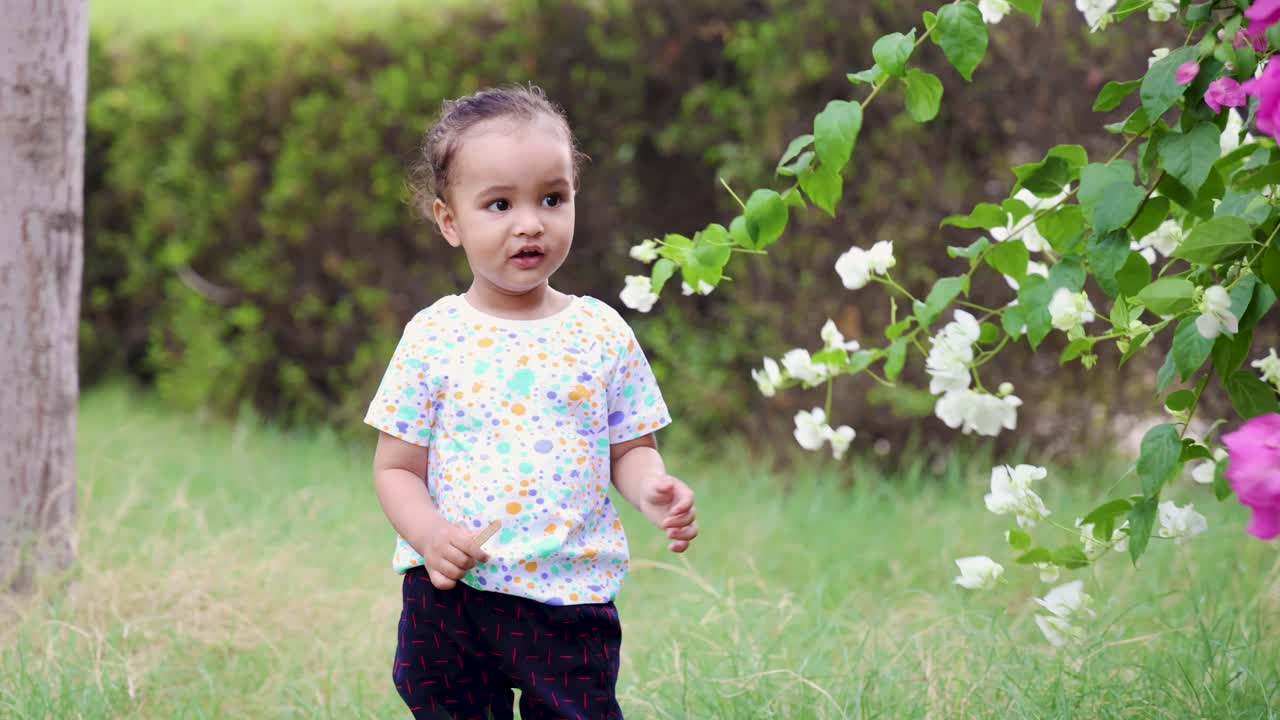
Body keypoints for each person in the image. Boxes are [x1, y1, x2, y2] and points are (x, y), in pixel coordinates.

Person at [364, 84, 698, 720]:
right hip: (454, 593)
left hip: (567, 594)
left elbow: (629, 450)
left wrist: (653, 486)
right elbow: (396, 468)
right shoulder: (433, 335)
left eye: (552, 198)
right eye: (498, 204)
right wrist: (431, 534)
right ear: (449, 221)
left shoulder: (601, 332)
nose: (530, 222)